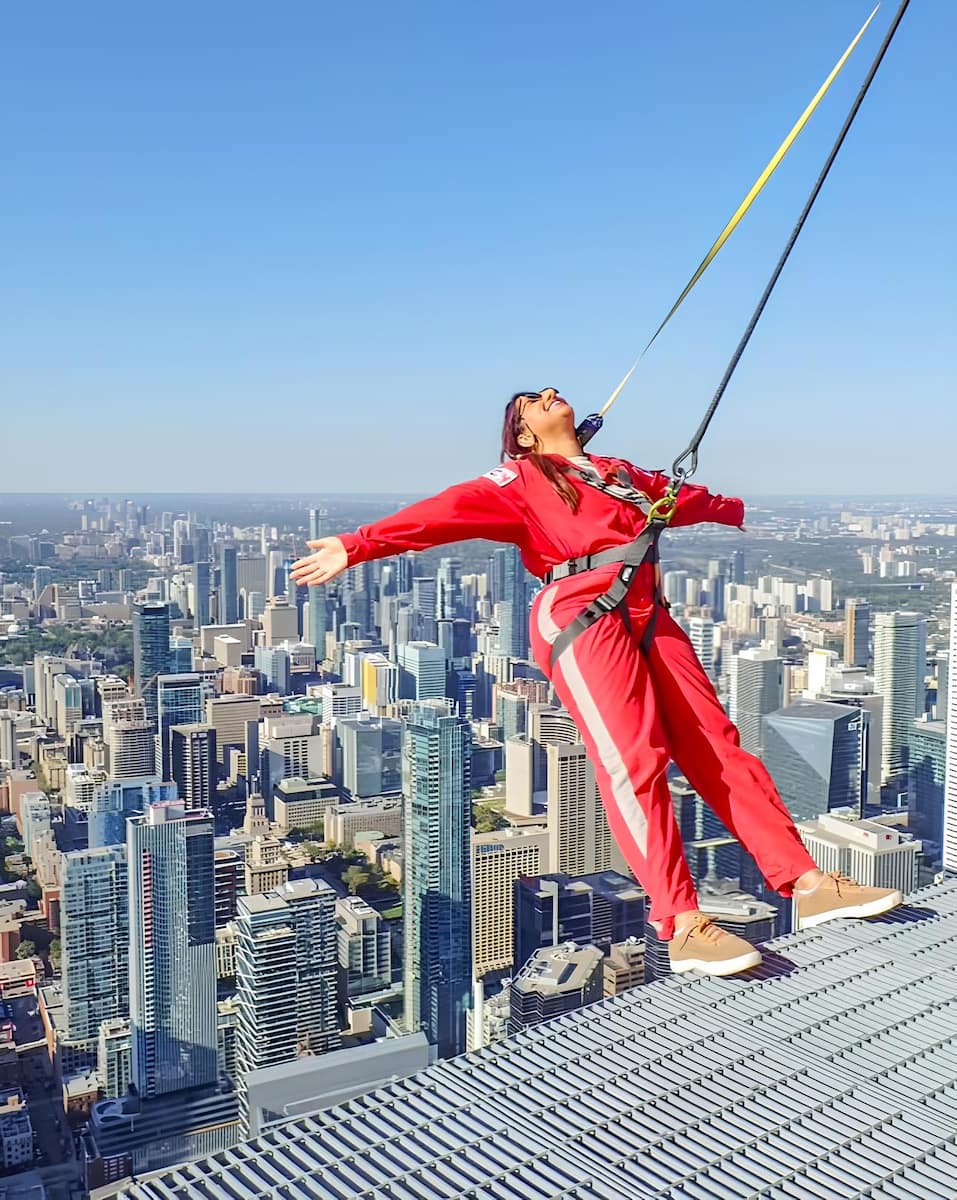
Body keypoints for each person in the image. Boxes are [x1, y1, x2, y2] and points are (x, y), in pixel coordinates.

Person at [292, 387, 902, 976]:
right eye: (531, 398)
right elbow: (444, 514)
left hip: (648, 612)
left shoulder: (618, 472)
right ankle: (683, 923)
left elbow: (679, 500)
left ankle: (809, 883)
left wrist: (729, 509)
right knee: (633, 758)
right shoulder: (519, 482)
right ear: (523, 434)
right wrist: (356, 545)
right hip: (580, 611)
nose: (550, 391)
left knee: (717, 746)